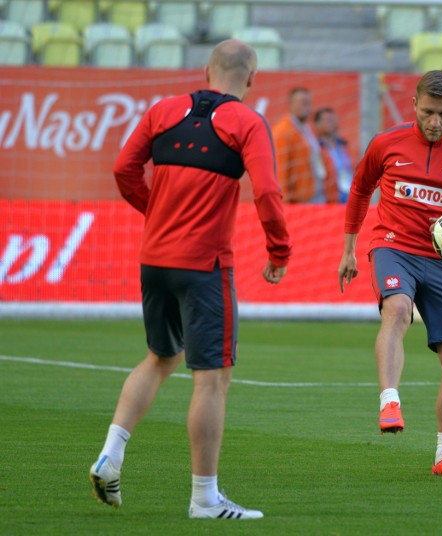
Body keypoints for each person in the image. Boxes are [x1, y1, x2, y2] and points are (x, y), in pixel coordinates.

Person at [89, 40, 292, 519]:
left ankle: (111, 453)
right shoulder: (248, 121)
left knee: (160, 357)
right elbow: (266, 190)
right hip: (205, 267)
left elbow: (123, 169)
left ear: (206, 72)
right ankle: (205, 499)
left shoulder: (162, 110)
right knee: (213, 379)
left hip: (154, 258)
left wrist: (154, 210)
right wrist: (279, 250)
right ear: (252, 79)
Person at [338, 70, 442, 478]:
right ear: (414, 105)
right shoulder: (386, 143)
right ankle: (390, 400)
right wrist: (349, 249)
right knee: (397, 310)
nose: (435, 122)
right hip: (393, 246)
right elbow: (360, 190)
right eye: (429, 112)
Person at [272, 87, 338, 203]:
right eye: (302, 103)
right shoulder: (283, 131)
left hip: (317, 196)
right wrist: (283, 202)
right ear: (291, 104)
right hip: (300, 200)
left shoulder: (307, 129)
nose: (306, 107)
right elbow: (280, 170)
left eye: (308, 103)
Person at [314, 107, 354, 203]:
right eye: (327, 120)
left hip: (350, 196)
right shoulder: (316, 149)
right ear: (317, 125)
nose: (331, 123)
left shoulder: (344, 146)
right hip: (330, 199)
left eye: (332, 120)